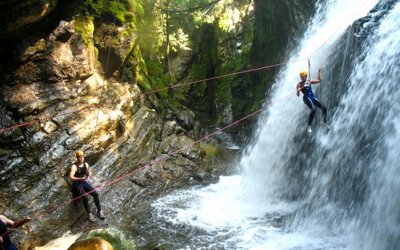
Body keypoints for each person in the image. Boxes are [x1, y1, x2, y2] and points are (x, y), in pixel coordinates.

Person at [69, 150, 105, 222]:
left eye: (82, 157)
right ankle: (89, 214)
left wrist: (88, 174)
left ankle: (99, 211)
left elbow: (88, 173)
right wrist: (80, 178)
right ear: (77, 158)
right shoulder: (74, 166)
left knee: (95, 194)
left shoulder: (86, 164)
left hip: (83, 182)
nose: (81, 158)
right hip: (77, 184)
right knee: (85, 197)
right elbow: (71, 177)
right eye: (79, 157)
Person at [296, 68, 328, 133]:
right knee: (313, 110)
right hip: (306, 98)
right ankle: (309, 126)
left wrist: (319, 71)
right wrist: (298, 91)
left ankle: (324, 121)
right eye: (301, 77)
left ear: (306, 76)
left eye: (303, 77)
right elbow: (298, 95)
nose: (302, 78)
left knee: (324, 108)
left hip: (312, 97)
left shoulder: (309, 81)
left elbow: (320, 80)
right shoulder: (299, 84)